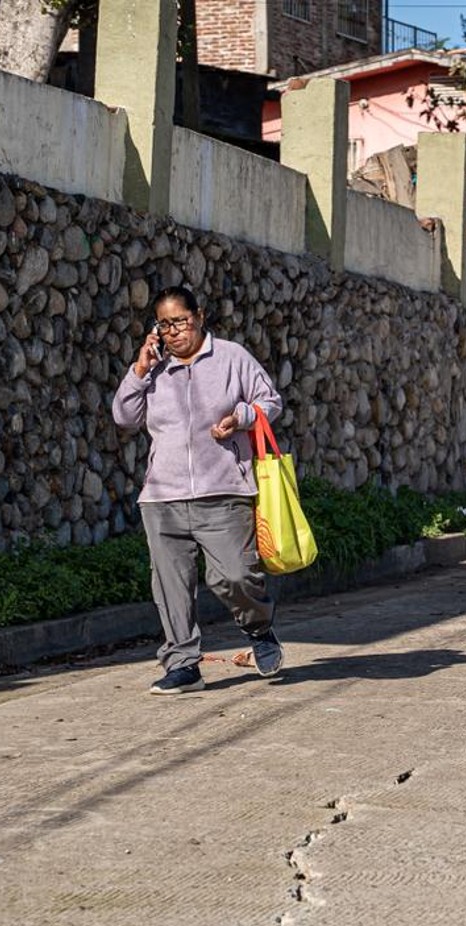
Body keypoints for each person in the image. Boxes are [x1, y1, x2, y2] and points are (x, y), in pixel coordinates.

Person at [111, 286, 286, 694]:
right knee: (171, 584)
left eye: (180, 321)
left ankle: (259, 629)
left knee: (236, 576)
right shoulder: (153, 369)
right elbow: (124, 416)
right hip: (162, 496)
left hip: (223, 490)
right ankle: (183, 664)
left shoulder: (231, 357)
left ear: (200, 316)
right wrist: (138, 370)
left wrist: (241, 416)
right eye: (164, 324)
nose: (174, 332)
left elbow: (269, 401)